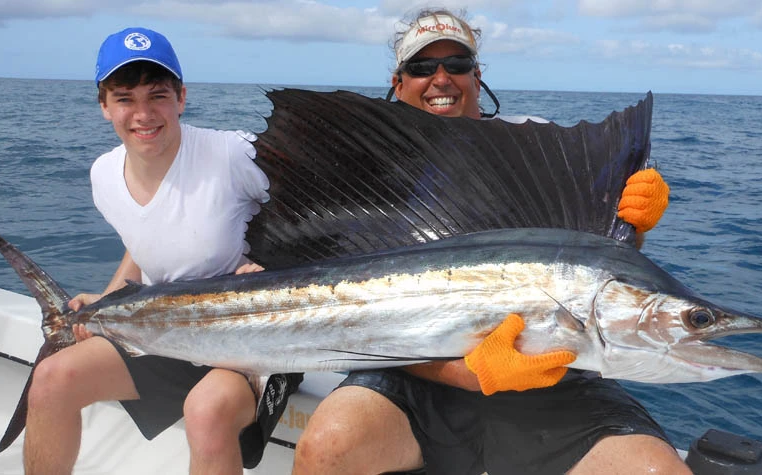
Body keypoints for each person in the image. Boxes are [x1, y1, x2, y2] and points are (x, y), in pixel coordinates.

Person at [293, 9, 690, 475]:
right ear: (398, 84)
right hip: (412, 369)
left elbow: (596, 279)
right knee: (325, 448)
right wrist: (466, 372)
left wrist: (632, 230)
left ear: (477, 78)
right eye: (422, 68)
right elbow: (356, 323)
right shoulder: (372, 173)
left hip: (549, 377)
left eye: (456, 65)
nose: (440, 79)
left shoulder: (535, 147)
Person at [22, 27, 300, 475]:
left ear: (182, 98)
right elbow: (145, 236)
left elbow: (315, 216)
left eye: (158, 95)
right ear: (103, 106)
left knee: (206, 412)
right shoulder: (104, 175)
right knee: (52, 379)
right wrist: (111, 297)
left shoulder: (234, 155)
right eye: (125, 98)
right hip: (161, 329)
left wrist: (274, 271)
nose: (143, 113)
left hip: (254, 338)